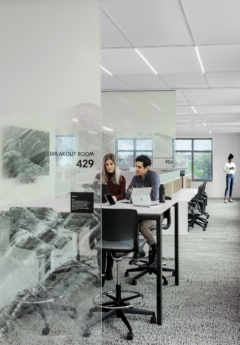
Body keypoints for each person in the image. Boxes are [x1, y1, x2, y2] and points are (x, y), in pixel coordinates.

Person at [95, 153, 126, 285]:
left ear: (115, 164)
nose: (109, 166)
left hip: (113, 213)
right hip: (101, 213)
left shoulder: (121, 178)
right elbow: (94, 193)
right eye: (106, 164)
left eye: (111, 164)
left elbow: (123, 195)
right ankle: (101, 272)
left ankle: (109, 269)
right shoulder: (99, 177)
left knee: (111, 244)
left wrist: (115, 198)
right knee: (101, 245)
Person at [126, 155, 160, 264]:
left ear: (147, 167)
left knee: (142, 226)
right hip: (140, 213)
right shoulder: (136, 178)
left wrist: (135, 192)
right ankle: (139, 251)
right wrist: (144, 192)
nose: (136, 169)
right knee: (129, 224)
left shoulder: (154, 176)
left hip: (154, 214)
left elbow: (154, 196)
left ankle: (155, 249)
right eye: (136, 166)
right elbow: (127, 195)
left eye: (139, 167)